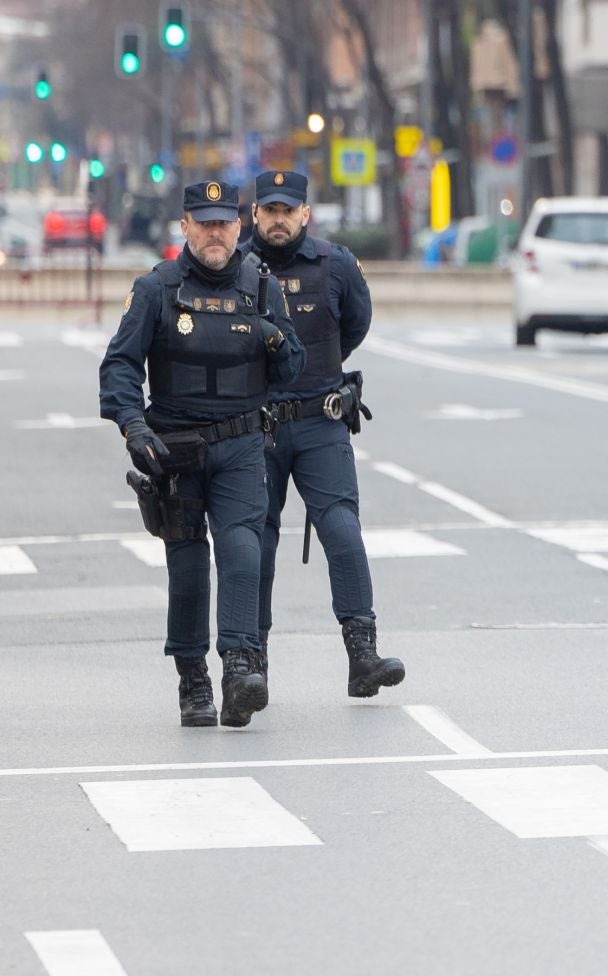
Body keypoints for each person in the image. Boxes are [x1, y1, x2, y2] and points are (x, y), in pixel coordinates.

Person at [99, 180, 303, 728]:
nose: (216, 233)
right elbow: (120, 365)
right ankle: (193, 679)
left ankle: (240, 667)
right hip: (176, 448)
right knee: (188, 568)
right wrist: (133, 427)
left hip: (241, 445)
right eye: (204, 222)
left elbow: (293, 369)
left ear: (239, 227)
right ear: (185, 227)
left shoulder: (263, 288)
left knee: (243, 551)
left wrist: (276, 339)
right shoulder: (156, 290)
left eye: (224, 222)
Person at [244, 170, 404, 703]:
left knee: (342, 530)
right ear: (256, 215)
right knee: (255, 543)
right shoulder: (237, 267)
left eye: (289, 210)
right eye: (270, 210)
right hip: (256, 426)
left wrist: (320, 375)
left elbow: (355, 325)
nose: (280, 219)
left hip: (320, 422)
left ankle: (363, 655)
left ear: (305, 215)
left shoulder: (336, 265)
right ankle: (251, 662)